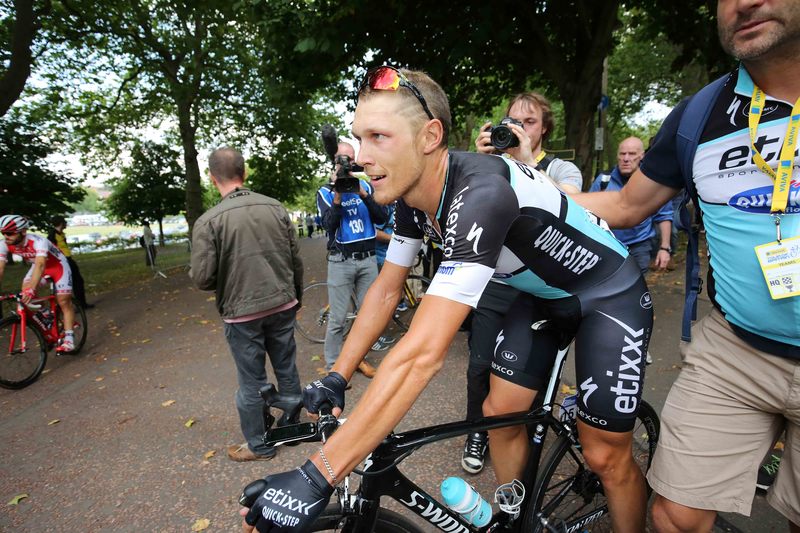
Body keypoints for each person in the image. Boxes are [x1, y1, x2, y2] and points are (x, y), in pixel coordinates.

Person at [241, 66, 653, 533]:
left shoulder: (480, 191)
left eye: (379, 137)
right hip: (540, 295)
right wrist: (338, 375)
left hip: (607, 292)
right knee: (499, 414)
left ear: (430, 136)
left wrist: (319, 474)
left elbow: (420, 355)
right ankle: (521, 522)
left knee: (605, 454)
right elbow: (386, 289)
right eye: (359, 139)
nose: (361, 157)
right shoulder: (411, 196)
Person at [572, 1, 800, 529]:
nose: (744, 4)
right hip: (736, 351)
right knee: (674, 516)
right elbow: (628, 205)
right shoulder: (700, 113)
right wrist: (515, 188)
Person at [462, 92, 585, 474]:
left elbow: (576, 208)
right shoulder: (493, 165)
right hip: (496, 279)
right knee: (479, 365)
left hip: (543, 287)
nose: (517, 129)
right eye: (511, 120)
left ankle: (527, 433)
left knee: (533, 372)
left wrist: (528, 162)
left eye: (527, 122)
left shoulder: (562, 168)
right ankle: (477, 432)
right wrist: (483, 162)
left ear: (544, 129)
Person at [190, 147, 304, 462]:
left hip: (242, 313)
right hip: (282, 302)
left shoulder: (208, 222)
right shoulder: (276, 208)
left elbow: (202, 278)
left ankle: (260, 444)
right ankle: (292, 429)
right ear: (245, 172)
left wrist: (227, 279)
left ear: (212, 178)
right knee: (286, 366)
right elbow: (294, 258)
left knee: (251, 380)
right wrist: (297, 296)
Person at [316, 140, 386, 377]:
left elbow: (381, 216)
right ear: (334, 163)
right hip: (341, 261)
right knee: (338, 319)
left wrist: (364, 194)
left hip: (367, 260)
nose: (347, 164)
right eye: (341, 159)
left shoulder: (366, 186)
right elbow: (328, 225)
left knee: (367, 316)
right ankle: (333, 369)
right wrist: (338, 195)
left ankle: (359, 358)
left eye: (350, 159)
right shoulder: (325, 192)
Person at [590, 137, 673, 274]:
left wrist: (664, 248)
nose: (626, 158)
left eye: (632, 154)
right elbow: (587, 213)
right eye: (622, 154)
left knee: (637, 290)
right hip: (607, 246)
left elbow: (664, 216)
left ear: (642, 156)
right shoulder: (604, 180)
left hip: (639, 247)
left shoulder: (652, 182)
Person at [0, 215, 76, 352]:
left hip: (57, 266)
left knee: (63, 301)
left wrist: (32, 289)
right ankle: (45, 312)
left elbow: (41, 264)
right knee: (25, 293)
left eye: (10, 233)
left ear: (23, 231)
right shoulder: (3, 244)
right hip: (37, 267)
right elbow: (0, 268)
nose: (6, 236)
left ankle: (69, 339)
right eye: (3, 233)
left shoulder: (38, 241)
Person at [48, 215, 92, 309]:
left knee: (77, 281)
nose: (66, 224)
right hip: (63, 261)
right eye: (64, 222)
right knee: (75, 282)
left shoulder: (61, 234)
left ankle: (80, 303)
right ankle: (75, 305)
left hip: (68, 259)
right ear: (61, 223)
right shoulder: (52, 235)